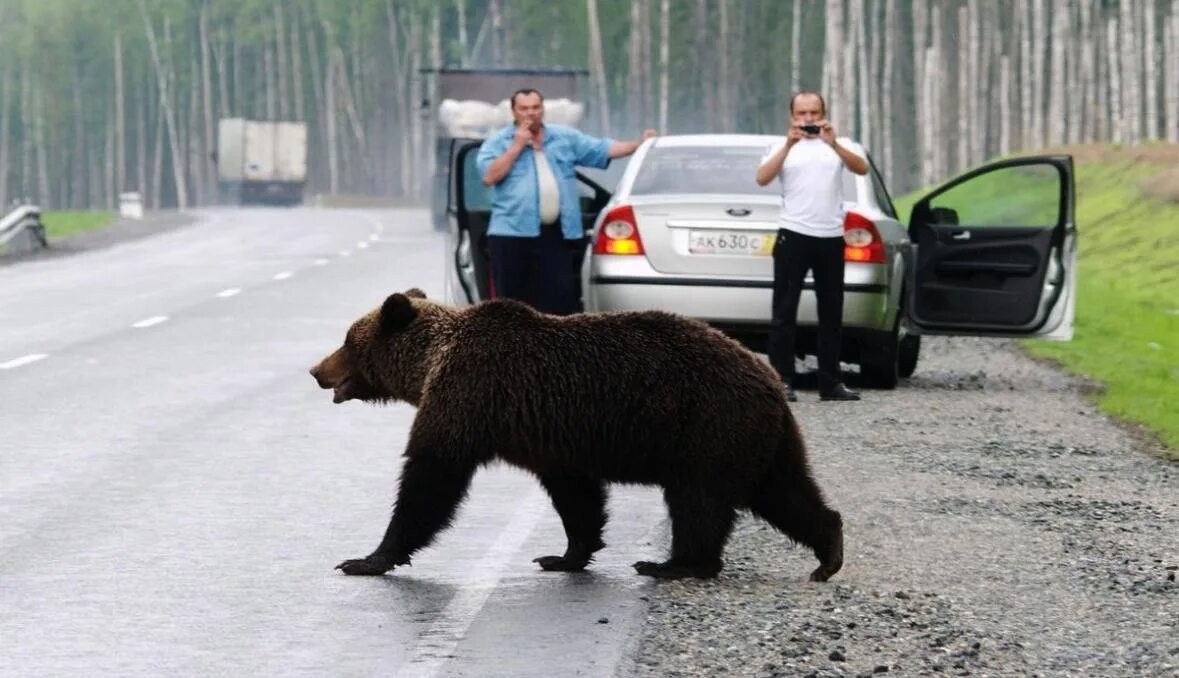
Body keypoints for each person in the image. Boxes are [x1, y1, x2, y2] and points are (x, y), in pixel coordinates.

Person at [477, 88, 656, 315]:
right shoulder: (498, 142)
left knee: (560, 298)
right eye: (524, 109)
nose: (530, 113)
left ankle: (555, 347)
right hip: (511, 234)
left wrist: (641, 144)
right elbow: (489, 176)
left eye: (535, 107)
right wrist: (517, 146)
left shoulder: (563, 138)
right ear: (514, 111)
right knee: (513, 304)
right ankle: (515, 348)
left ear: (543, 109)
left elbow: (603, 149)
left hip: (556, 234)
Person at [755, 91, 870, 402]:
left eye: (813, 113)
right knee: (784, 312)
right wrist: (788, 144)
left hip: (831, 236)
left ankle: (830, 382)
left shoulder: (836, 144)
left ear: (824, 114)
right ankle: (781, 380)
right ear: (792, 117)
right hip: (793, 234)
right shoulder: (780, 147)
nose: (807, 120)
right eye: (801, 114)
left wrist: (834, 143)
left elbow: (862, 169)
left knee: (831, 313)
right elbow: (762, 178)